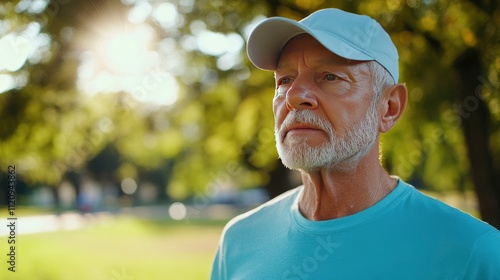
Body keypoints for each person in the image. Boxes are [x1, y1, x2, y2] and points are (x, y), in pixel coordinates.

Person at [211, 8, 500, 280]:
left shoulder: (473, 252)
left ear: (389, 107)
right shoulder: (237, 241)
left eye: (330, 76)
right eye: (285, 79)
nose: (294, 95)